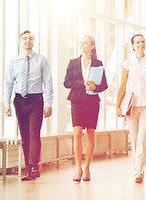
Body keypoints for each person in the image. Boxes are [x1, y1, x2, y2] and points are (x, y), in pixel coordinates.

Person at [3, 30, 54, 181]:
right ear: (20, 42)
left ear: (33, 42)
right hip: (19, 101)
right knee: (25, 136)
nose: (28, 41)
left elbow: (48, 82)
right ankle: (28, 168)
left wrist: (49, 103)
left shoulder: (41, 60)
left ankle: (33, 166)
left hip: (36, 100)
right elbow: (8, 84)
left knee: (34, 134)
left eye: (30, 39)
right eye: (25, 39)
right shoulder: (13, 61)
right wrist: (7, 104)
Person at [63, 35, 108, 183]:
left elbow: (104, 85)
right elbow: (66, 83)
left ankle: (87, 166)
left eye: (85, 43)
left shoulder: (98, 63)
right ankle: (78, 167)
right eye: (80, 42)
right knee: (77, 134)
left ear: (92, 46)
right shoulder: (73, 62)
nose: (82, 45)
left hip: (92, 102)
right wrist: (82, 83)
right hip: (77, 101)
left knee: (90, 134)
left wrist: (95, 86)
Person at [116, 34, 146, 184]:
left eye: (142, 42)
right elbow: (122, 86)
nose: (140, 44)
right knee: (134, 139)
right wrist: (117, 106)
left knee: (142, 138)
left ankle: (139, 172)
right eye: (137, 42)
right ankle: (137, 169)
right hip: (131, 106)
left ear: (145, 44)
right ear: (132, 46)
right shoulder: (127, 64)